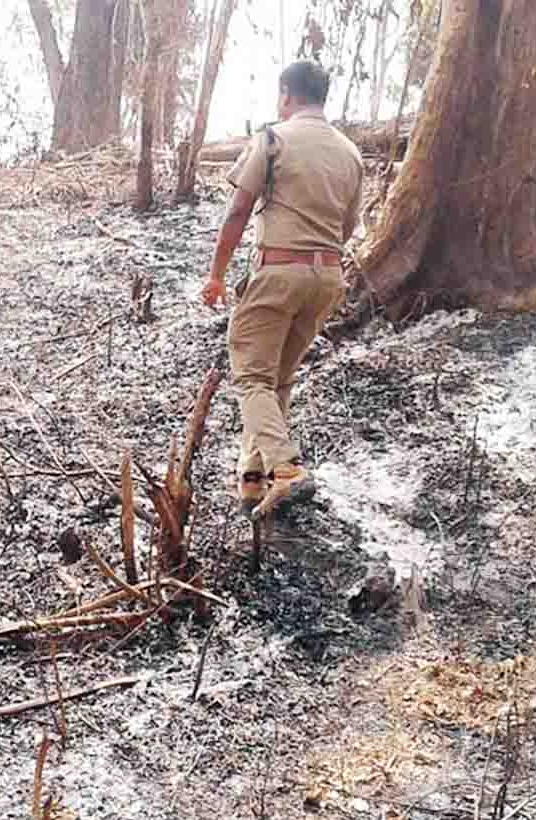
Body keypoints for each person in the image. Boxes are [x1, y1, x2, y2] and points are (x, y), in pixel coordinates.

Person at [200, 60, 364, 521]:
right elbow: (348, 226)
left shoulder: (273, 139)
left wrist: (216, 273)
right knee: (278, 382)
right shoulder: (350, 152)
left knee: (251, 378)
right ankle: (253, 483)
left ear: (287, 96)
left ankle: (285, 469)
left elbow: (238, 210)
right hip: (326, 277)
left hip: (278, 272)